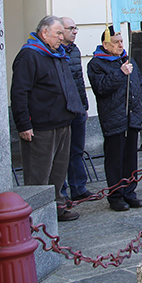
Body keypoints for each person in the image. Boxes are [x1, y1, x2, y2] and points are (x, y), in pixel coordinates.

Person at [10, 16, 87, 222]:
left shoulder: (57, 54)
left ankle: (58, 207)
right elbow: (19, 93)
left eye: (63, 33)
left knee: (58, 172)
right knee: (39, 175)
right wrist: (23, 123)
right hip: (41, 127)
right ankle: (36, 216)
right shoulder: (29, 56)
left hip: (62, 123)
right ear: (44, 33)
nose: (62, 38)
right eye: (58, 33)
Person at [87, 26, 142, 211]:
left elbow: (139, 84)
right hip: (114, 117)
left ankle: (130, 192)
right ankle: (116, 196)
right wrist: (120, 73)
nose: (121, 45)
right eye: (116, 42)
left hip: (132, 116)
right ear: (105, 44)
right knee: (115, 159)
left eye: (121, 41)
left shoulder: (128, 60)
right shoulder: (96, 64)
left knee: (130, 158)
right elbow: (101, 88)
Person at [60, 16, 92, 201]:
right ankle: (61, 192)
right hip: (63, 109)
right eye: (70, 28)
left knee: (77, 150)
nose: (74, 31)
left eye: (75, 28)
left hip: (78, 108)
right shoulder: (54, 51)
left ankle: (78, 187)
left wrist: (84, 106)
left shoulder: (74, 50)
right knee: (61, 153)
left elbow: (79, 81)